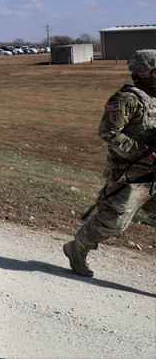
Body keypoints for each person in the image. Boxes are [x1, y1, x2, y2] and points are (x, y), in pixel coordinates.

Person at [63, 49, 156, 278]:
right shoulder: (127, 99)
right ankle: (76, 248)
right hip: (130, 175)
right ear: (145, 74)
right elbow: (108, 133)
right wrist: (144, 152)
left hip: (154, 175)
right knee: (113, 224)